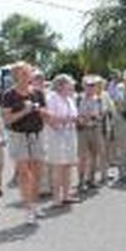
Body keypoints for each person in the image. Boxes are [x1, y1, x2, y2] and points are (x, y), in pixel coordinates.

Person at [1, 62, 47, 225]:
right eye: (22, 73)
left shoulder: (38, 93)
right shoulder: (9, 95)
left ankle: (34, 205)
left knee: (37, 172)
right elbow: (7, 120)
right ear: (15, 76)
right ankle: (28, 208)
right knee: (24, 173)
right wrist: (25, 111)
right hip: (18, 136)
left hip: (37, 134)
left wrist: (40, 111)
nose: (26, 76)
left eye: (28, 73)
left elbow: (45, 113)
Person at [45, 74, 79, 206]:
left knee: (68, 165)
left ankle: (66, 195)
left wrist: (74, 119)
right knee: (58, 166)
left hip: (70, 134)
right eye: (69, 83)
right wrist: (65, 120)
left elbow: (74, 116)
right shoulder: (52, 98)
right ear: (60, 85)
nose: (72, 86)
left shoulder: (69, 99)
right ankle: (56, 198)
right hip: (56, 135)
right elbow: (49, 118)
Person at [77, 75, 108, 190]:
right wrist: (84, 118)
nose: (90, 88)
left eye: (92, 86)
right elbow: (75, 114)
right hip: (82, 130)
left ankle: (91, 179)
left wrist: (96, 117)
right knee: (82, 156)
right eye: (88, 85)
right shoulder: (78, 98)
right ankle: (81, 181)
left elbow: (102, 114)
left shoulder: (99, 99)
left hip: (95, 129)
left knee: (94, 155)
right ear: (83, 86)